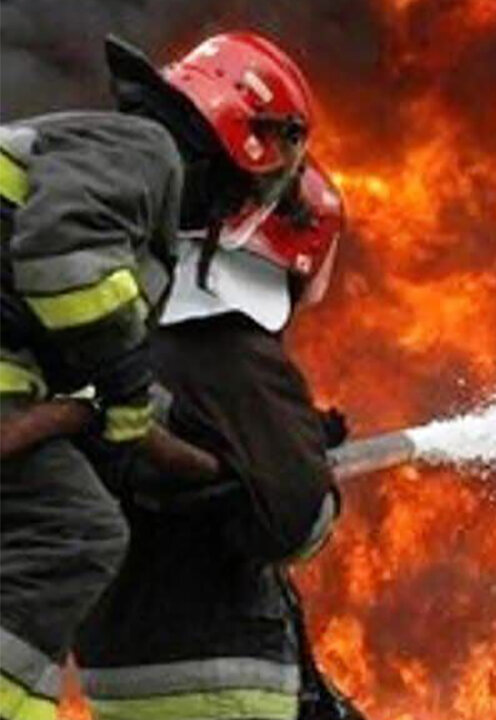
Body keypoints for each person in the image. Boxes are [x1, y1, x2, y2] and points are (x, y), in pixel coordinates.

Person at [0, 31, 314, 720]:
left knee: (47, 527)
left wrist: (135, 416)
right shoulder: (146, 152)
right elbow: (62, 261)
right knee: (75, 534)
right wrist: (122, 385)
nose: (240, 202)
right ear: (245, 140)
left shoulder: (113, 158)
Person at [75, 159, 360, 720]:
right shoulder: (238, 356)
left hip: (121, 664)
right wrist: (303, 468)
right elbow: (293, 526)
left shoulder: (131, 343)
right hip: (219, 672)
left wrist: (275, 450)